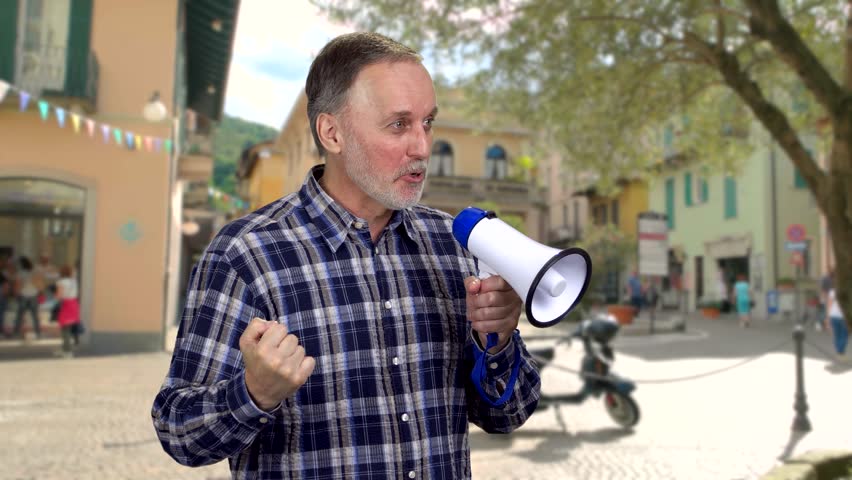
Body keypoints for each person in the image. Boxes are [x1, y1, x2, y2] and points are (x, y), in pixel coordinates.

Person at [152, 32, 541, 479]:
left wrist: (498, 342)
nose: (422, 147)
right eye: (399, 125)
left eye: (427, 123)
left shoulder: (453, 246)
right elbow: (178, 430)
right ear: (331, 133)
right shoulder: (245, 256)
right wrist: (253, 393)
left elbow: (509, 414)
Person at [55, 265, 81, 357]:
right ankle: (64, 349)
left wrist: (56, 297)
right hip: (74, 304)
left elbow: (59, 295)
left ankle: (68, 351)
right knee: (68, 329)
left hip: (66, 305)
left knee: (65, 330)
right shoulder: (74, 281)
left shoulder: (61, 282)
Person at [13, 256, 40, 339]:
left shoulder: (20, 273)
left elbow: (18, 285)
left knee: (20, 315)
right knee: (35, 315)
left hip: (24, 295)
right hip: (33, 295)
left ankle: (16, 332)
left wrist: (16, 293)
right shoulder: (34, 272)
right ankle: (37, 332)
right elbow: (38, 283)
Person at [824, 274, 848, 363]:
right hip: (843, 317)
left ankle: (839, 353)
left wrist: (827, 317)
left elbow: (829, 305)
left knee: (837, 336)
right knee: (844, 336)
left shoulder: (832, 292)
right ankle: (840, 354)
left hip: (833, 315)